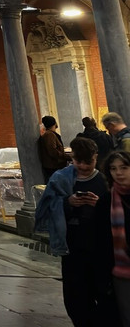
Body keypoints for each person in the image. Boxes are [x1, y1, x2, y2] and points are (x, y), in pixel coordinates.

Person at [36, 137, 117, 326]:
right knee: (75, 297)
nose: (83, 166)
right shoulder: (60, 179)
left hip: (100, 246)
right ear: (72, 158)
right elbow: (44, 209)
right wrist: (67, 202)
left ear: (96, 157)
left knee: (103, 294)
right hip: (72, 246)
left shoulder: (105, 180)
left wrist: (100, 205)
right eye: (78, 161)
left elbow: (117, 210)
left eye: (88, 162)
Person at [105, 150, 130, 325]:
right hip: (121, 270)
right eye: (113, 168)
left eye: (124, 167)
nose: (118, 173)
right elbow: (102, 240)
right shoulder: (106, 201)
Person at [39, 116, 69, 183]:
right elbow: (53, 151)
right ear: (54, 123)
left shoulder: (49, 134)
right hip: (54, 167)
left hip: (53, 166)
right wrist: (67, 157)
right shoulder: (49, 135)